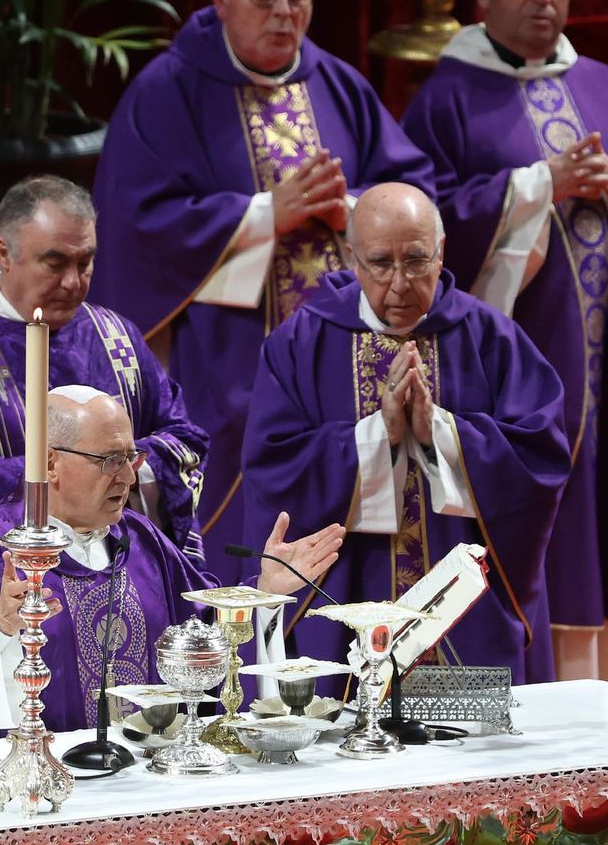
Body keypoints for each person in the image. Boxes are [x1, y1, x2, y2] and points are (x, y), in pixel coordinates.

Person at [398, 0, 608, 686]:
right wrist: (539, 189)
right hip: (515, 375)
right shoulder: (446, 98)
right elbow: (418, 216)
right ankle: (511, 710)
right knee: (521, 527)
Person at [90, 0, 435, 580]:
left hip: (353, 357)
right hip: (231, 362)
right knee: (240, 528)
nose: (284, 11)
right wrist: (263, 215)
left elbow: (417, 194)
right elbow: (137, 224)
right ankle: (239, 676)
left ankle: (359, 667)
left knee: (363, 543)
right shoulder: (169, 91)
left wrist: (353, 211)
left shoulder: (338, 84)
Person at [241, 183, 570, 683]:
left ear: (441, 255)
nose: (398, 284)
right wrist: (379, 435)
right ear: (352, 258)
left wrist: (440, 433)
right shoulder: (298, 343)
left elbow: (540, 457)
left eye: (416, 261)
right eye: (380, 263)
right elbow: (273, 466)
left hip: (466, 622)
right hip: (347, 600)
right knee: (350, 743)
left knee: (472, 750)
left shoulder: (491, 337)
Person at [0, 387, 344, 740]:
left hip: (149, 785)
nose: (127, 477)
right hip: (44, 796)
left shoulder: (142, 541)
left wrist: (262, 593)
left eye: (130, 457)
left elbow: (201, 634)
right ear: (49, 463)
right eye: (109, 460)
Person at [0, 175, 209, 643]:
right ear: (4, 254)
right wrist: (61, 475)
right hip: (6, 604)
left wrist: (114, 466)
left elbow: (185, 440)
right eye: (54, 263)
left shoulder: (118, 338)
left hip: (126, 587)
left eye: (86, 262)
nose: (74, 282)